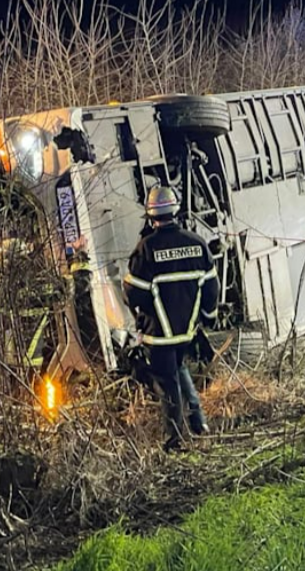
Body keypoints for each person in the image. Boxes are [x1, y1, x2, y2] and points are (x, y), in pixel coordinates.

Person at [123, 185, 219, 451]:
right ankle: (199, 423)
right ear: (176, 211)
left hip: (159, 334)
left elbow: (133, 294)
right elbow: (212, 288)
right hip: (186, 331)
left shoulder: (146, 250)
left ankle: (174, 440)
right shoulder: (197, 244)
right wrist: (206, 318)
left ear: (151, 217)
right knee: (179, 368)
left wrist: (139, 319)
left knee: (167, 384)